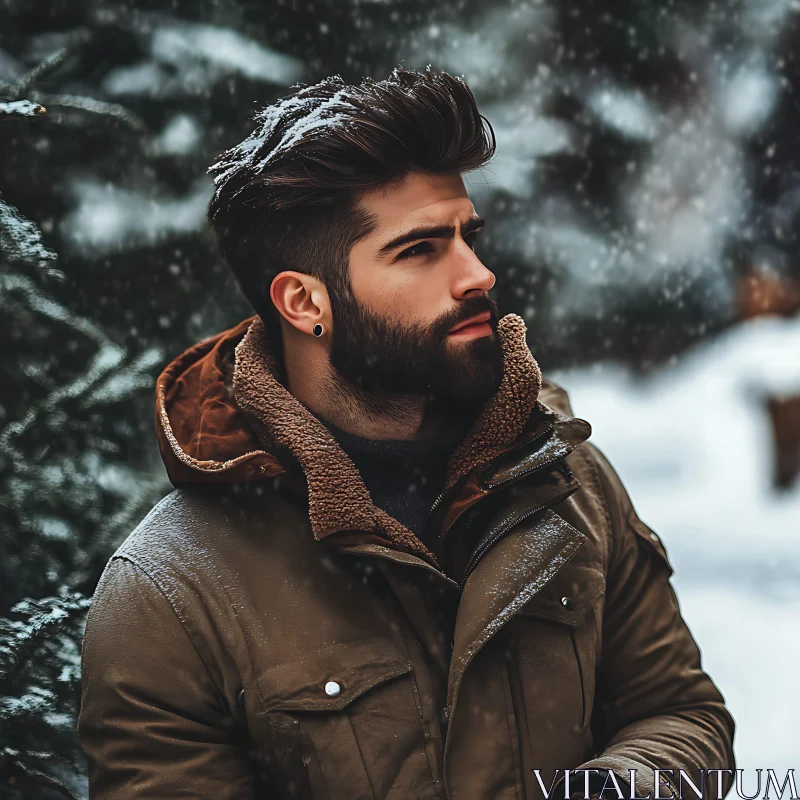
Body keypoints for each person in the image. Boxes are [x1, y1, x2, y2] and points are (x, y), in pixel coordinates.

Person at [77, 67, 735, 800]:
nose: (478, 274)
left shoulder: (569, 481)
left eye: (468, 237)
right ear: (303, 301)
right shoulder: (170, 592)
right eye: (421, 250)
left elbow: (680, 714)